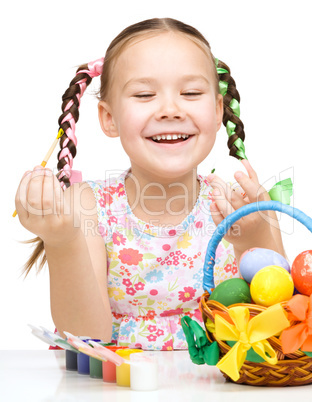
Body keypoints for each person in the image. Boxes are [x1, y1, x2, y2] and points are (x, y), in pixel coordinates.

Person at [15, 18, 284, 351]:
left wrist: (255, 238)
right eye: (144, 94)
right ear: (109, 118)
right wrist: (61, 241)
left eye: (191, 93)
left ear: (218, 112)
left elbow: (280, 331)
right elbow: (87, 340)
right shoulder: (87, 206)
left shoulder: (238, 206)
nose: (170, 109)